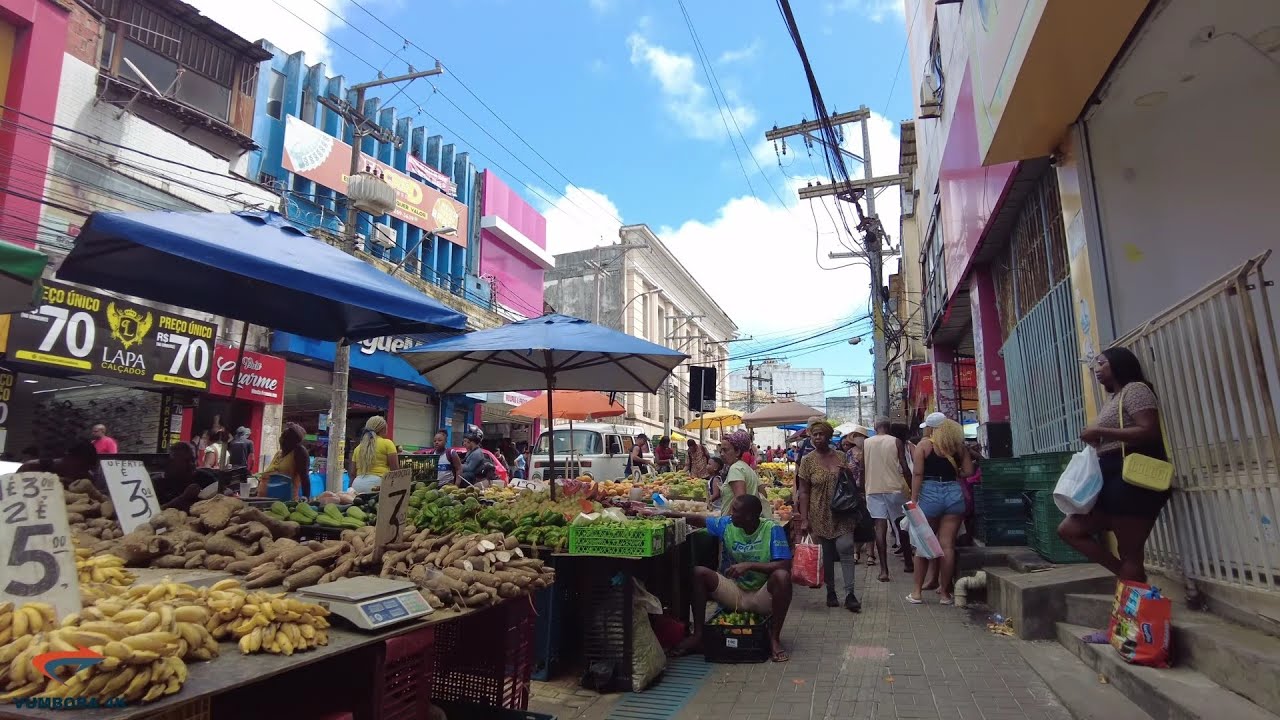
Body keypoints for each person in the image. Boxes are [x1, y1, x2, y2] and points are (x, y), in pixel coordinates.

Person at [1059, 348, 1171, 587]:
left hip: (1131, 480)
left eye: (1102, 363)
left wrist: (1099, 431)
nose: (1097, 369)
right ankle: (1129, 577)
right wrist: (1098, 439)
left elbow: (1149, 430)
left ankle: (1134, 594)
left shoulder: (1135, 390)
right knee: (1069, 530)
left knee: (1130, 553)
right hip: (1110, 478)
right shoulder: (1114, 398)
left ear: (1119, 364)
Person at [665, 495, 793, 662]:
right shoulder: (727, 525)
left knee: (782, 576)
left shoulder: (772, 529)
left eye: (735, 511)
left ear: (749, 516)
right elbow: (699, 520)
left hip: (762, 595)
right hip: (737, 592)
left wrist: (749, 565)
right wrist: (665, 514)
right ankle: (698, 636)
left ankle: (774, 639)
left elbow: (784, 565)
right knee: (699, 573)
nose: (731, 513)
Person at [907, 412, 975, 605]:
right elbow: (969, 471)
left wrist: (913, 499)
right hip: (953, 494)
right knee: (947, 546)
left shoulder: (924, 446)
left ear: (930, 428)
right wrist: (955, 473)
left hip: (929, 494)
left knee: (923, 544)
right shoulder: (958, 446)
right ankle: (945, 594)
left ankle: (917, 593)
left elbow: (918, 473)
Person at [796, 419, 861, 612]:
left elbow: (852, 484)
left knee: (846, 548)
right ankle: (831, 591)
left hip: (843, 511)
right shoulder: (807, 461)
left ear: (829, 436)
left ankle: (850, 594)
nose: (817, 438)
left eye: (821, 434)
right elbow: (803, 491)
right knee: (827, 555)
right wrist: (804, 518)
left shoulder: (841, 456)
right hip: (819, 513)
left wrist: (847, 473)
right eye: (814, 435)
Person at [864, 417, 914, 581]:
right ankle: (908, 562)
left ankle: (884, 571)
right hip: (894, 488)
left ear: (875, 427)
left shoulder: (866, 443)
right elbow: (904, 466)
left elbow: (863, 468)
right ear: (889, 427)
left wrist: (862, 489)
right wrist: (912, 487)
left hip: (873, 489)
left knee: (880, 528)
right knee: (901, 524)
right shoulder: (896, 441)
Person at [840, 427, 876, 568]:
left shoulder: (870, 451)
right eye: (856, 436)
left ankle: (870, 553)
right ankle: (855, 552)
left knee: (870, 522)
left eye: (861, 436)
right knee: (855, 522)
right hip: (853, 491)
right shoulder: (849, 453)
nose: (859, 439)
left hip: (870, 489)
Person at [255, 424, 310, 500]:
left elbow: (304, 477)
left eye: (284, 437)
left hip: (284, 501)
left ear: (291, 440)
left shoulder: (299, 452)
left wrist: (305, 496)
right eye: (281, 436)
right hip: (263, 499)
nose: (280, 439)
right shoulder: (279, 453)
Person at [349, 415, 399, 493]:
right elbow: (395, 469)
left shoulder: (358, 448)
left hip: (357, 484)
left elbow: (352, 473)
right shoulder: (387, 443)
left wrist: (351, 489)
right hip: (377, 484)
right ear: (383, 429)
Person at [19, 441, 99, 486]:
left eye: (85, 469)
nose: (81, 471)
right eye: (80, 466)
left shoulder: (86, 478)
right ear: (68, 457)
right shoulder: (32, 467)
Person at [718, 430, 761, 501]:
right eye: (721, 450)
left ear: (737, 452)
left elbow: (740, 501)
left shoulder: (736, 469)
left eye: (725, 450)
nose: (722, 454)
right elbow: (762, 491)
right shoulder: (746, 468)